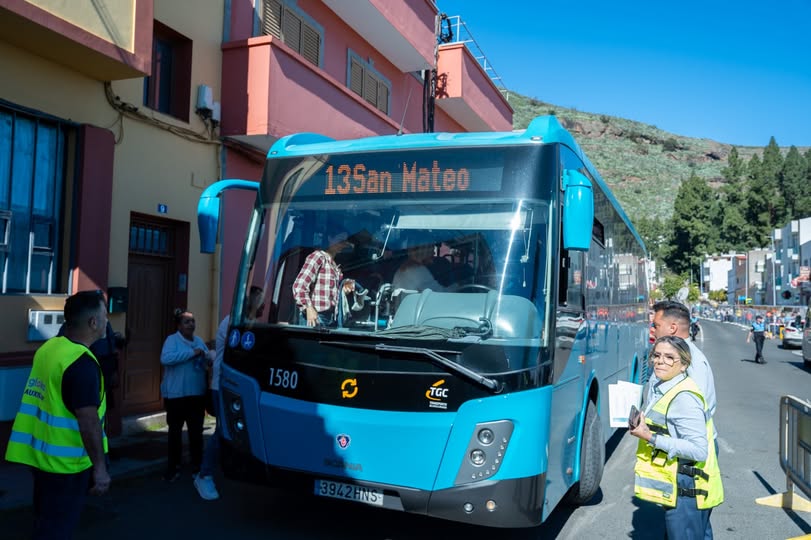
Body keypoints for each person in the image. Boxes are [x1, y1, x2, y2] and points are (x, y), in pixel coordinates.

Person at [6, 290, 110, 540]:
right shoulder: (81, 364)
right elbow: (89, 422)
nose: (108, 321)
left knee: (45, 521)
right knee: (57, 529)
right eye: (105, 316)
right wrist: (100, 468)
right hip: (67, 467)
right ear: (93, 322)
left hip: (41, 459)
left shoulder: (50, 348)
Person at [630, 336, 723, 539]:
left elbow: (698, 449)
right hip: (682, 484)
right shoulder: (667, 386)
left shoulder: (684, 397)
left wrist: (650, 436)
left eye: (670, 357)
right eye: (657, 355)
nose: (660, 361)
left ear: (684, 365)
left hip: (687, 486)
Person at [194, 286, 265, 501]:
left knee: (232, 431)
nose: (263, 306)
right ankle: (204, 475)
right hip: (223, 386)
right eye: (260, 302)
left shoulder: (246, 323)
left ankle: (216, 469)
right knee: (222, 431)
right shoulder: (235, 324)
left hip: (235, 385)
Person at [651, 301, 718, 444]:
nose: (652, 330)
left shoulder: (691, 360)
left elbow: (694, 413)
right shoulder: (669, 353)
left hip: (686, 455)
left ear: (672, 328)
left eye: (656, 326)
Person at [160, 308, 214, 482]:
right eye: (187, 322)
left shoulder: (198, 341)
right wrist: (192, 353)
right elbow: (166, 359)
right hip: (176, 395)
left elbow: (207, 358)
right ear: (179, 325)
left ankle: (197, 466)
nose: (191, 324)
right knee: (175, 433)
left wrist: (209, 357)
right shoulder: (172, 340)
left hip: (196, 394)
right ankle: (173, 467)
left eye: (193, 321)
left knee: (196, 433)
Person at [292, 230, 356, 327]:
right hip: (316, 316)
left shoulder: (333, 264)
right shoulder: (318, 257)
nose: (343, 244)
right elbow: (299, 286)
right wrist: (309, 308)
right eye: (340, 240)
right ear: (329, 238)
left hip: (330, 318)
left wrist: (343, 289)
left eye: (345, 241)